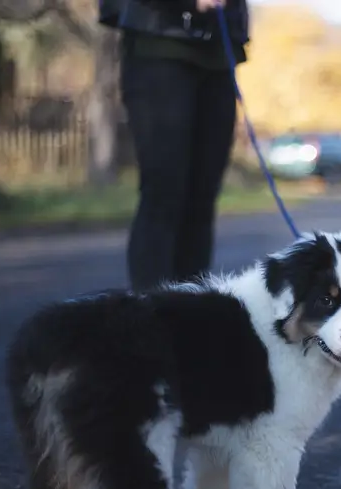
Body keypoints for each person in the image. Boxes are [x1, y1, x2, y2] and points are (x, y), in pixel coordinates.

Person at [99, 0, 250, 290]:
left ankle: (188, 309)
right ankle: (151, 312)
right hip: (158, 44)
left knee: (203, 196)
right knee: (164, 192)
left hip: (219, 50)